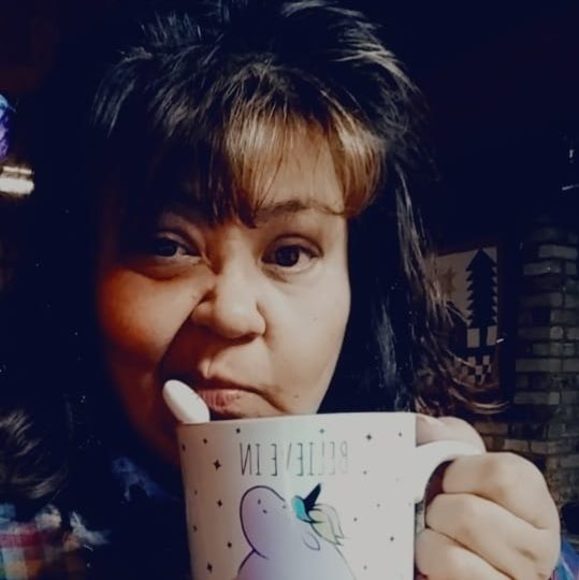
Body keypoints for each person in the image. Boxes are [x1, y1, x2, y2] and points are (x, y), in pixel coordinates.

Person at [0, 0, 572, 578]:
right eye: (168, 245)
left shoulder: (418, 518)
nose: (231, 314)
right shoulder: (19, 548)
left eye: (288, 254)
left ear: (359, 290)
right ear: (81, 274)